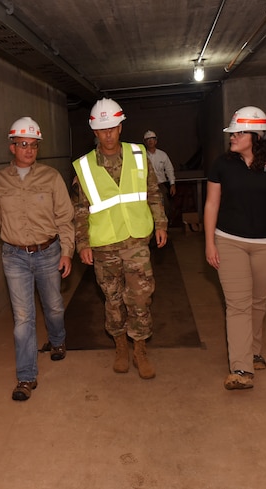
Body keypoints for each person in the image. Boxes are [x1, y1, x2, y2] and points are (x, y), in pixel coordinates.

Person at [203, 106, 266, 390]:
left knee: (258, 301)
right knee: (238, 304)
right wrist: (209, 241)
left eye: (238, 132)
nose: (232, 137)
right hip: (229, 241)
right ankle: (241, 368)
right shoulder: (222, 164)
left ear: (256, 136)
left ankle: (253, 350)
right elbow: (211, 204)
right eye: (233, 132)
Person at [0, 116, 75, 401]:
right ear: (12, 147)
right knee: (23, 318)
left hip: (49, 253)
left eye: (33, 145)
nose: (29, 150)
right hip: (14, 256)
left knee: (54, 306)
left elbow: (65, 217)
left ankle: (57, 341)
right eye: (23, 145)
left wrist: (67, 251)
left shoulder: (51, 177)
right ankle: (26, 377)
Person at [72, 98, 168, 380]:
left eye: (113, 127)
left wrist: (161, 223)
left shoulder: (139, 155)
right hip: (104, 244)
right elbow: (80, 210)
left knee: (140, 297)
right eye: (103, 129)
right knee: (113, 299)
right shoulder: (84, 166)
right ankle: (120, 347)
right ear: (94, 131)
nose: (109, 134)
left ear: (121, 126)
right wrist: (83, 243)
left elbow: (153, 192)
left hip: (136, 240)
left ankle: (139, 349)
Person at [143, 130, 177, 222]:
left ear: (156, 141)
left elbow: (169, 169)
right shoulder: (143, 155)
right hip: (147, 186)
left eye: (152, 139)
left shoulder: (162, 155)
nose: (150, 141)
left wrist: (172, 184)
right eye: (148, 139)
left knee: (165, 206)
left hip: (161, 184)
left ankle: (165, 228)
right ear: (145, 142)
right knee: (148, 208)